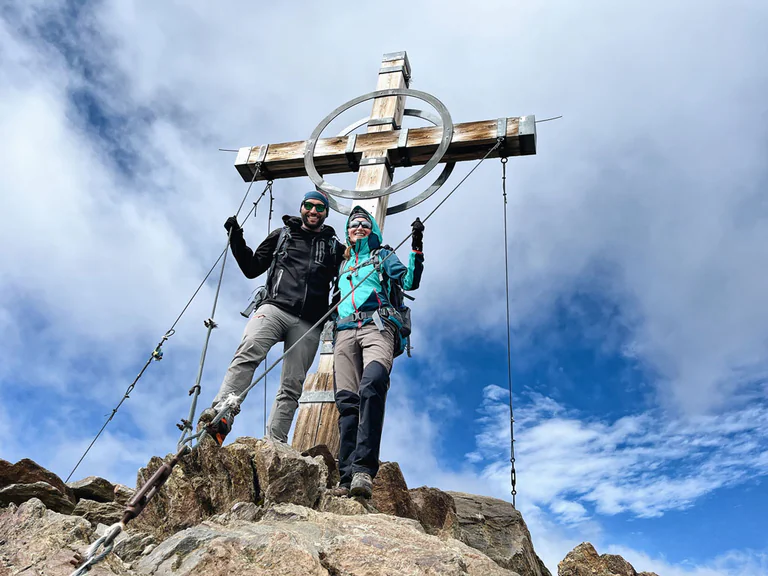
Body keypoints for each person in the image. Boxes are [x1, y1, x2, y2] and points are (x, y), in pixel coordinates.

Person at [199, 190, 345, 445]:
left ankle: (275, 443)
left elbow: (354, 268)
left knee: (292, 384)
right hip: (274, 308)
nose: (313, 211)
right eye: (309, 205)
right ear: (301, 208)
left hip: (309, 323)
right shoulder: (282, 235)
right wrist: (236, 238)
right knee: (248, 351)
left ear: (325, 213)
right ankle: (222, 414)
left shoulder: (334, 247)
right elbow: (252, 267)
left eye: (319, 208)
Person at [332, 206, 425, 498]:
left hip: (377, 326)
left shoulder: (381, 255)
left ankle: (363, 471)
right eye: (353, 225)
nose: (358, 227)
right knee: (347, 404)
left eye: (364, 224)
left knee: (373, 384)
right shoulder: (343, 263)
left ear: (372, 229)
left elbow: (409, 281)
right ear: (348, 231)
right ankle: (345, 478)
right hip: (344, 332)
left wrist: (416, 245)